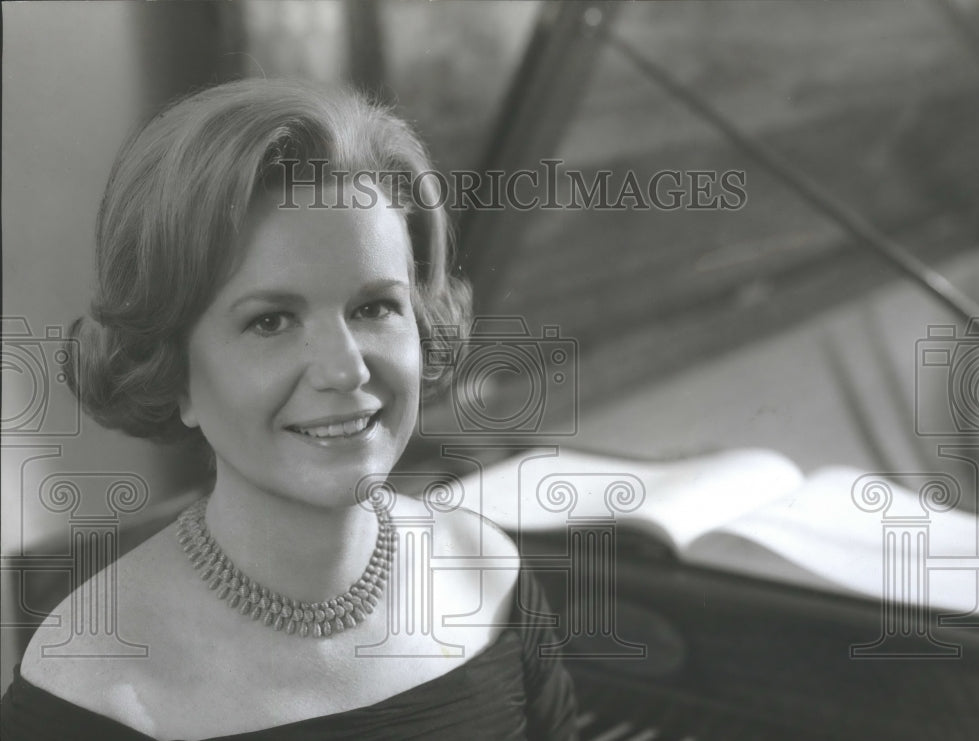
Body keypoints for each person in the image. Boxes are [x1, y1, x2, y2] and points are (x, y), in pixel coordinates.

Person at [0, 78, 577, 740]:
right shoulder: (89, 684)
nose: (345, 369)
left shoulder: (486, 572)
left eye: (374, 307)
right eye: (271, 320)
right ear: (172, 371)